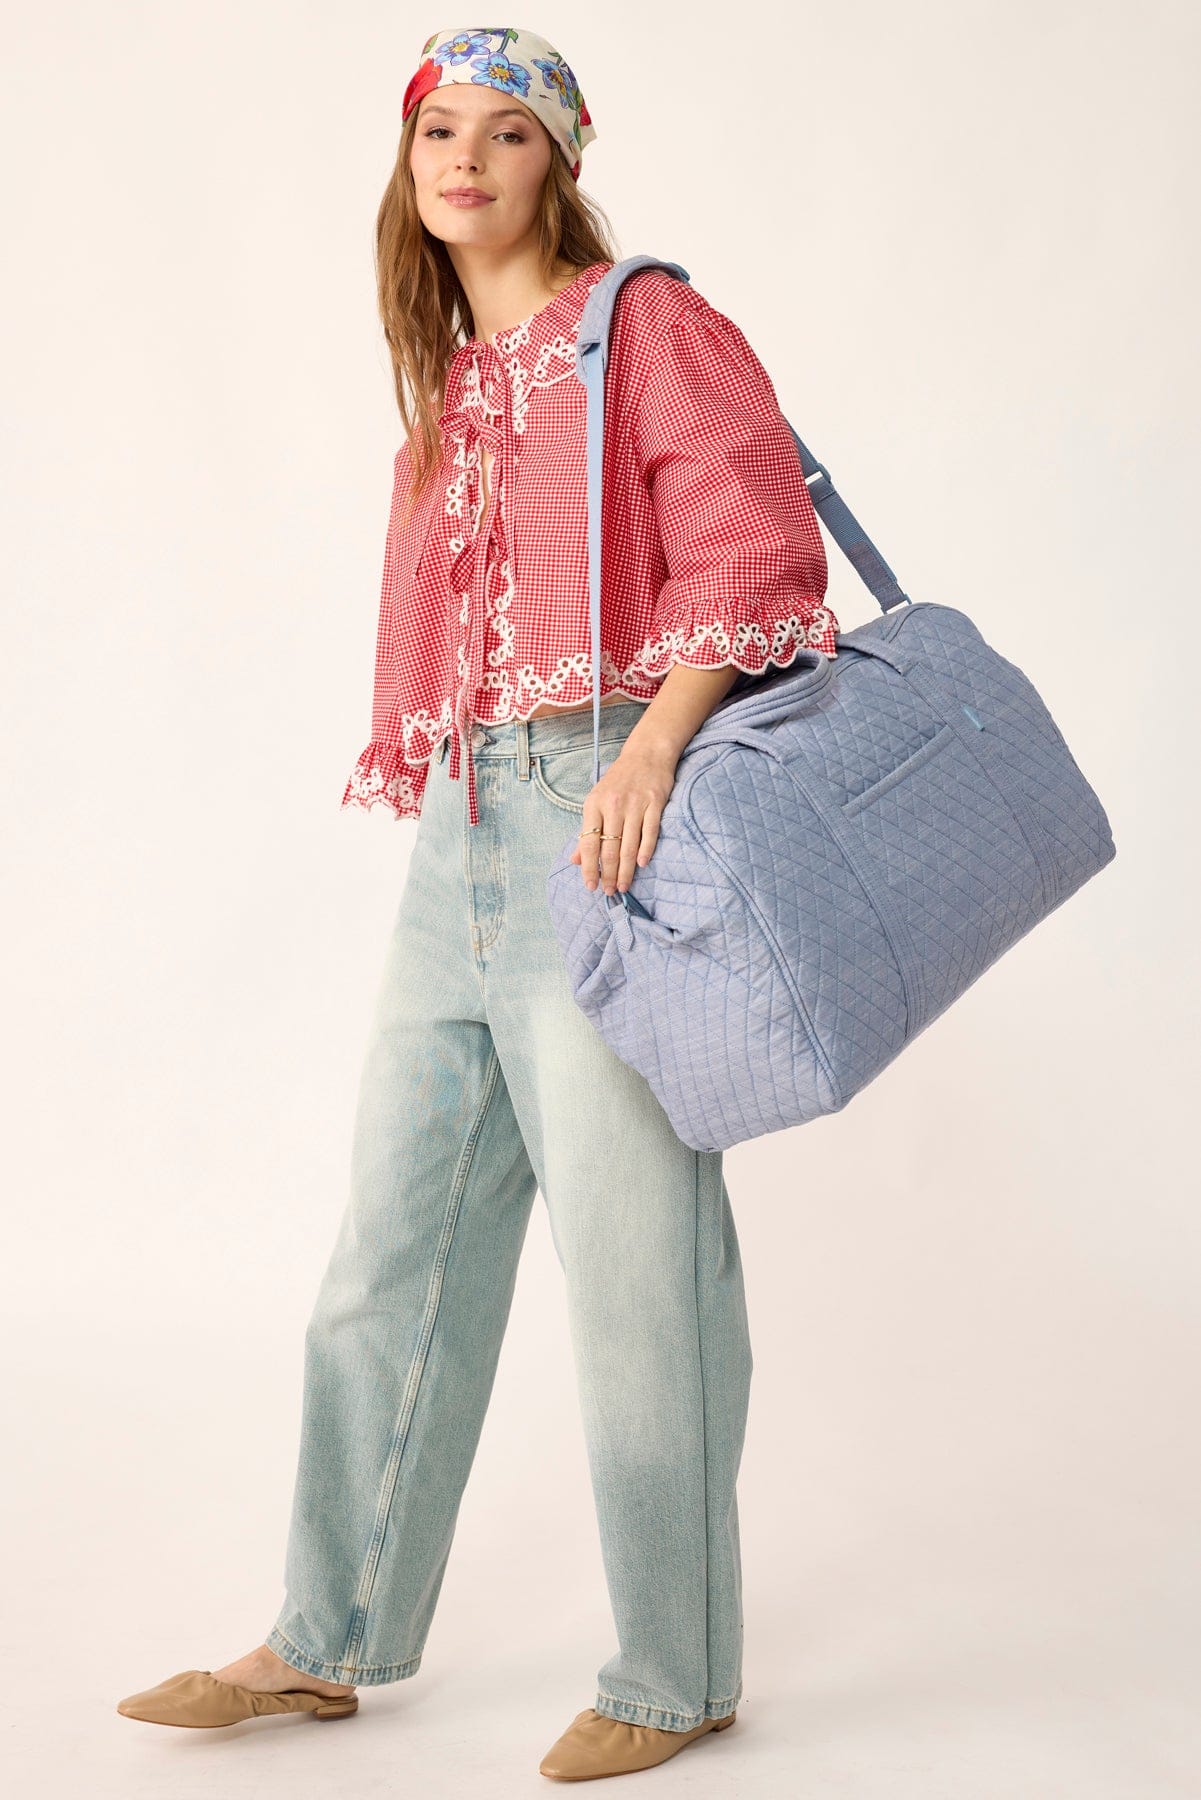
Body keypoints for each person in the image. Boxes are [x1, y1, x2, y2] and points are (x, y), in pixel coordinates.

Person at [116, 23, 839, 1781]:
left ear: (557, 164)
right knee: (392, 1246)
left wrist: (647, 752)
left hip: (609, 806)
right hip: (463, 828)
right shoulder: (451, 375)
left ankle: (676, 1669)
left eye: (506, 132)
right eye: (438, 127)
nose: (464, 157)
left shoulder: (642, 326)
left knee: (636, 1268)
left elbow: (751, 545)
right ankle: (326, 1635)